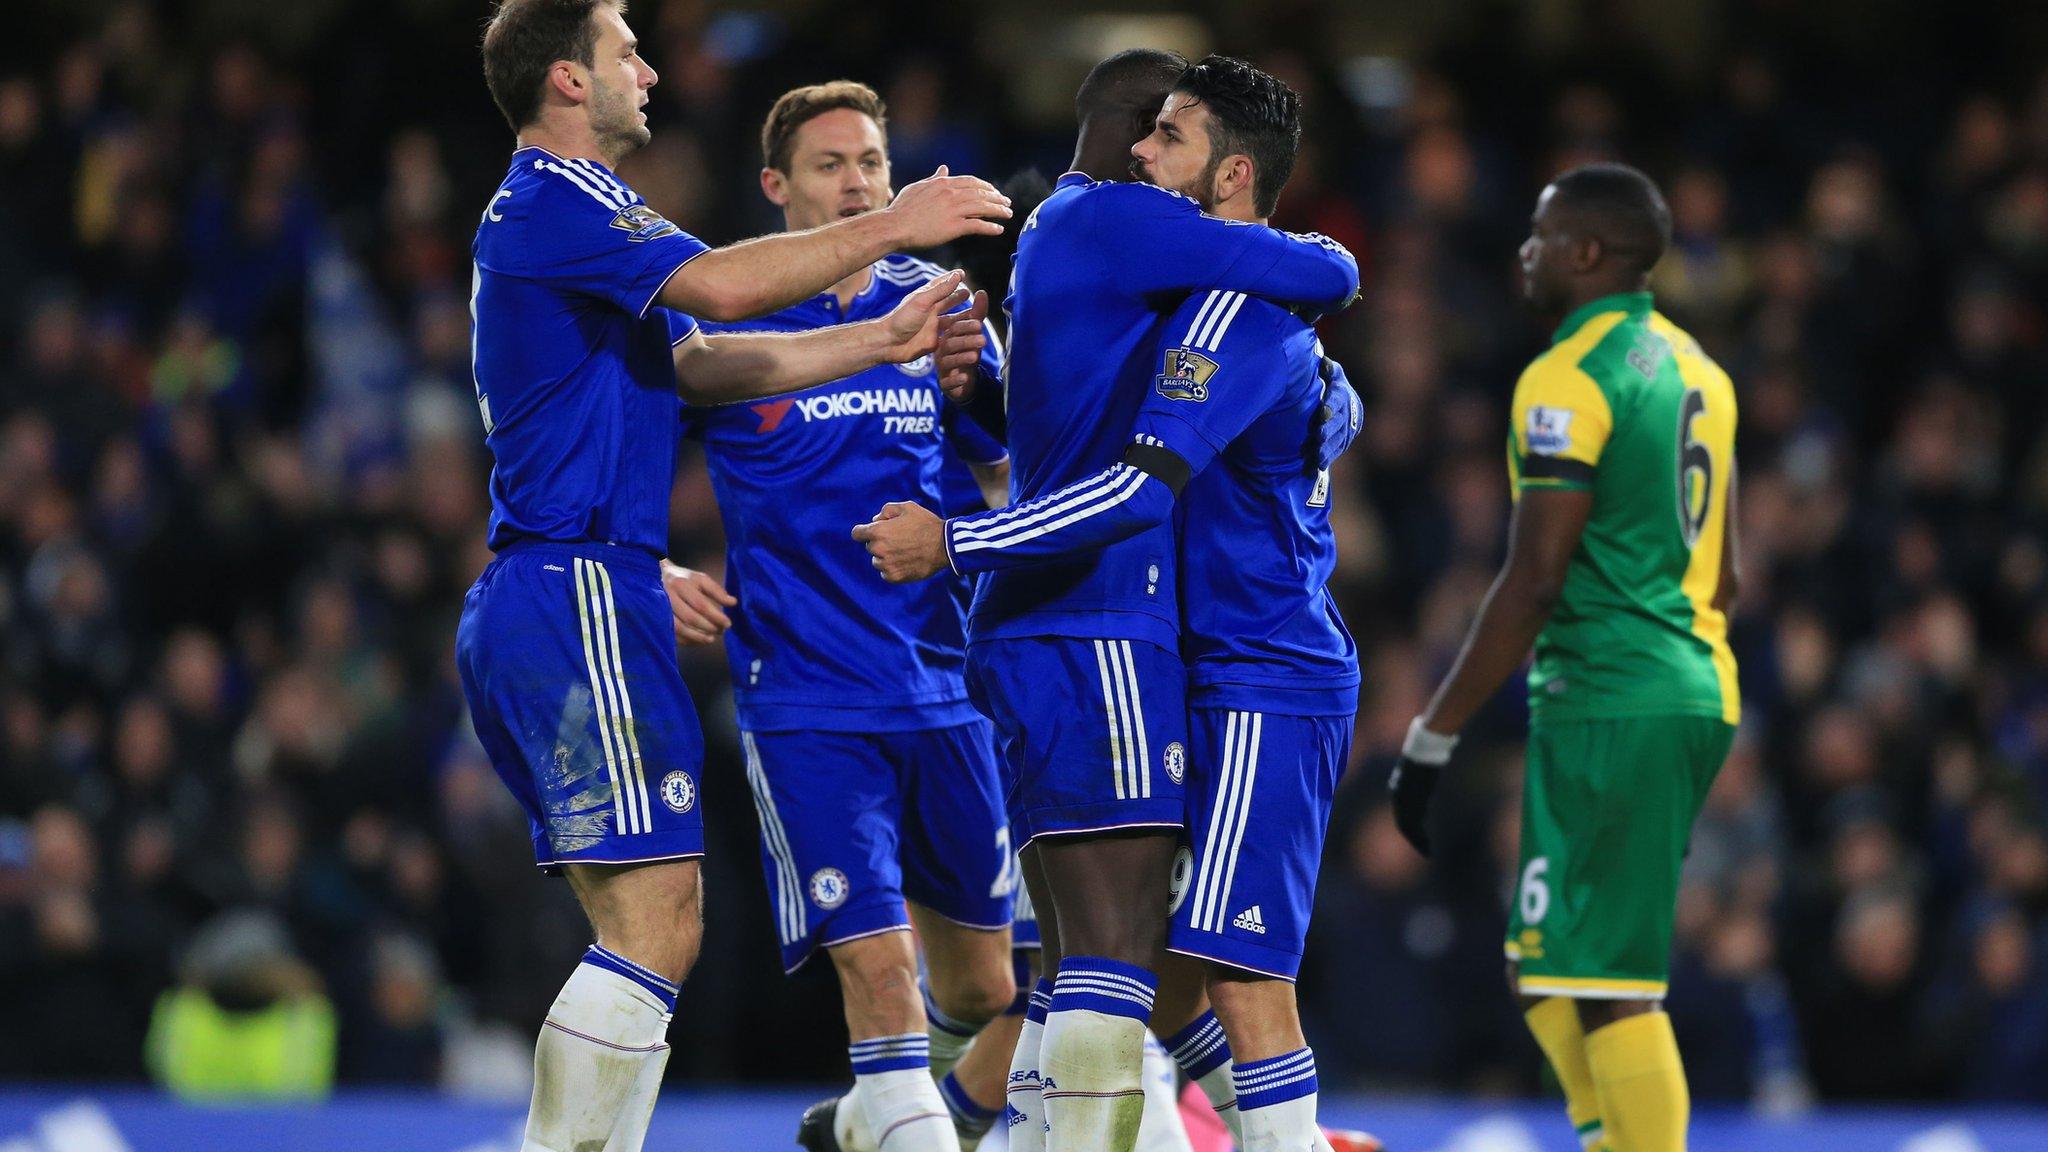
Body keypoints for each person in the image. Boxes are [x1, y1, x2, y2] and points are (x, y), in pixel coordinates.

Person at [459, 4, 1009, 1150]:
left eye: (874, 169)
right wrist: (892, 225)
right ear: (567, 77)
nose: (649, 70)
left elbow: (710, 360)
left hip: (591, 580)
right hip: (604, 601)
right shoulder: (567, 197)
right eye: (625, 50)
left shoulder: (578, 225)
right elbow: (716, 296)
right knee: (656, 922)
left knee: (648, 919)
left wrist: (878, 339)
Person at [859, 55, 1364, 1152]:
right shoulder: (1194, 278)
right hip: (1131, 642)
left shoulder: (1202, 297)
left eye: (1170, 138)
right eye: (1148, 131)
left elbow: (1133, 475)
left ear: (1227, 174)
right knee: (1133, 964)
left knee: (1168, 968)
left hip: (1248, 669)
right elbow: (1303, 344)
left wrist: (959, 522)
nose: (1146, 157)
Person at [663, 80, 1018, 1152]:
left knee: (995, 986)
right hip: (807, 700)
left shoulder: (943, 303)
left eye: (871, 161)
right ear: (774, 187)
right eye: (830, 165)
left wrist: (976, 404)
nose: (857, 181)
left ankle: (892, 1123)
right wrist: (649, 567)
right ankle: (902, 1107)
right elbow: (619, 457)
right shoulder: (722, 308)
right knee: (876, 968)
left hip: (946, 688)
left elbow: (1004, 484)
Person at [1386, 163, 1741, 1152]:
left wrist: (1431, 734)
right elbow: (1731, 574)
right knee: (1544, 968)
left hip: (1614, 695)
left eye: (1539, 237)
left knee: (1608, 986)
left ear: (1586, 253)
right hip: (1676, 680)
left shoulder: (1566, 378)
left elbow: (1532, 579)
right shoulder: (1696, 371)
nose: (1523, 253)